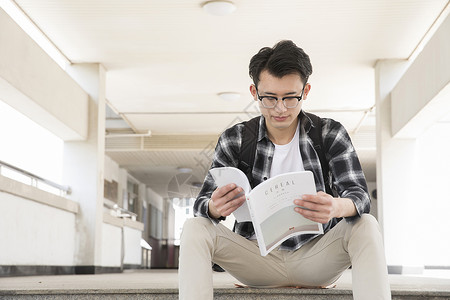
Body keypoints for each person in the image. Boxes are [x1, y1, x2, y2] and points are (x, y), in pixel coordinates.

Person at [178, 40, 391, 300]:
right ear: (254, 92)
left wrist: (336, 206)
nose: (280, 108)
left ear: (306, 90)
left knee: (366, 224)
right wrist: (214, 207)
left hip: (317, 258)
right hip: (256, 259)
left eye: (291, 98)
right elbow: (201, 204)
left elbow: (360, 196)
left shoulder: (329, 133)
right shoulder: (235, 138)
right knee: (194, 227)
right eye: (270, 98)